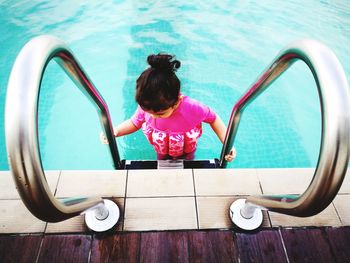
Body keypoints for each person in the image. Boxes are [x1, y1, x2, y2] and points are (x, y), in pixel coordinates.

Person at [100, 53, 236, 161]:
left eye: (160, 114)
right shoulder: (148, 105)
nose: (152, 116)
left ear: (177, 101)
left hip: (186, 147)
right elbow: (134, 123)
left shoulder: (191, 108)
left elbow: (213, 119)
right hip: (161, 146)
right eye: (148, 112)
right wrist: (115, 131)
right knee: (161, 159)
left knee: (188, 159)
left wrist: (227, 143)